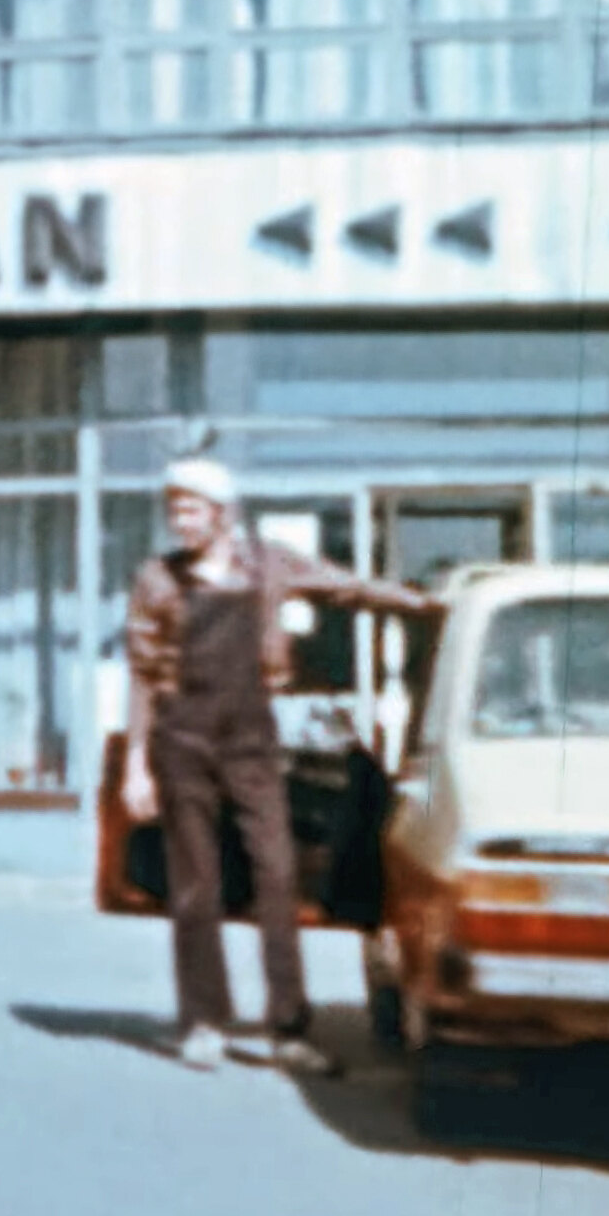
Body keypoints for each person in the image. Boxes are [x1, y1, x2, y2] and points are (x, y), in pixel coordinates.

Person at [122, 455, 442, 1076]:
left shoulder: (270, 564)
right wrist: (137, 764)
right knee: (196, 884)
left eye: (191, 509)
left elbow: (346, 587)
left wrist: (423, 603)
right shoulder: (157, 579)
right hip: (182, 737)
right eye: (174, 510)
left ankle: (288, 1029)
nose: (181, 521)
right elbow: (141, 672)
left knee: (277, 870)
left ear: (222, 513)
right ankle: (203, 1023)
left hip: (250, 734)